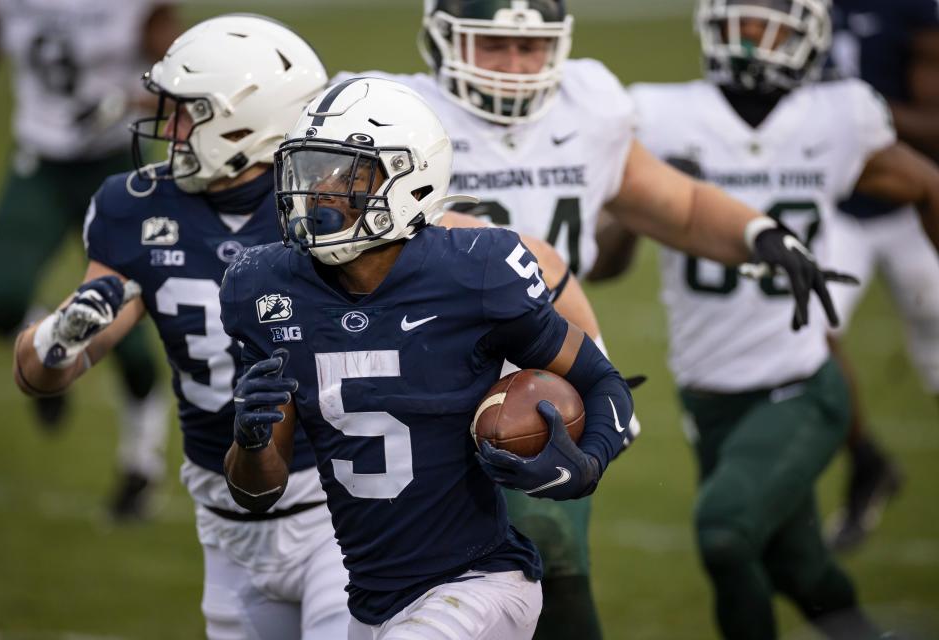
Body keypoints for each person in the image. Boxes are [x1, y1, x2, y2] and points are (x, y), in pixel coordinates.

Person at [329, 1, 859, 637]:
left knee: (546, 543)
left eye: (531, 48)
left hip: (539, 376)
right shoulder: (392, 114)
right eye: (493, 45)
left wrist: (756, 233)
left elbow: (678, 204)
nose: (515, 66)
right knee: (419, 582)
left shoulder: (588, 107)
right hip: (419, 379)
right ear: (442, 41)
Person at [219, 76, 638, 640]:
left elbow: (601, 381)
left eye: (345, 174)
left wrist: (586, 464)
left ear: (409, 180)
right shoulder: (263, 286)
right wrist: (248, 444)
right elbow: (258, 491)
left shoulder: (477, 271)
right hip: (372, 602)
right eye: (310, 170)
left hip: (481, 584)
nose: (317, 192)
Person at [11, 15, 349, 639]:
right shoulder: (131, 204)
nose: (169, 128)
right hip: (222, 518)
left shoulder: (328, 207)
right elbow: (40, 377)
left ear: (251, 122)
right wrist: (61, 338)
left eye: (189, 112)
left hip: (339, 508)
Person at [612, 0, 939, 637]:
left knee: (725, 533)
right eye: (740, 22)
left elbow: (926, 184)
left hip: (802, 382)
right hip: (707, 392)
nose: (751, 41)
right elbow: (604, 262)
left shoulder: (837, 116)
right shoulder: (657, 114)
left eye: (767, 25)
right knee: (798, 564)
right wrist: (646, 201)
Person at [0, 0, 182, 520]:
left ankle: (140, 465)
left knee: (129, 334)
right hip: (41, 158)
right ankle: (47, 348)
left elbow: (187, 73)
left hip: (114, 161)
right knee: (0, 297)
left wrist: (132, 99)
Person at [821, 0, 939, 551]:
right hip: (836, 208)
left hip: (912, 203)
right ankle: (867, 462)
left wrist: (848, 115)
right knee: (804, 335)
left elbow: (935, 123)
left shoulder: (911, 10)